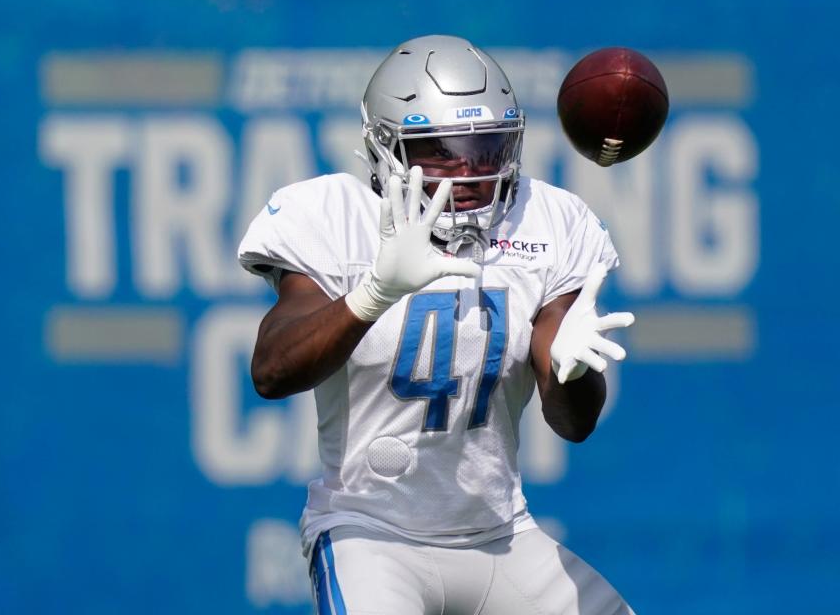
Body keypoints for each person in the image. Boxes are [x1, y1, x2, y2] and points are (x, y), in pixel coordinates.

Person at [238, 35, 636, 615]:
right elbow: (271, 371)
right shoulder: (334, 214)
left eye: (487, 149)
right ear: (384, 151)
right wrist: (371, 295)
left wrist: (569, 372)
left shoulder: (549, 219)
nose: (469, 172)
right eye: (440, 151)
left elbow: (573, 423)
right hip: (369, 534)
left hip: (501, 536)